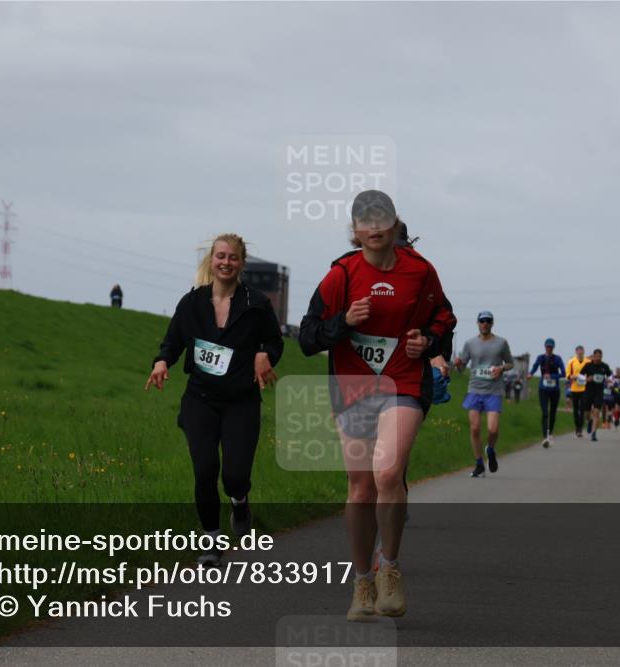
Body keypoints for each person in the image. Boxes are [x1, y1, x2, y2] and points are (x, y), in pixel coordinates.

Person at [299, 189, 456, 621]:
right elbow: (308, 338)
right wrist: (343, 323)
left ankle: (389, 567)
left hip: (404, 379)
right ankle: (362, 581)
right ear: (354, 230)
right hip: (353, 386)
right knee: (361, 487)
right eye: (363, 222)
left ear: (393, 224)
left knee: (388, 472)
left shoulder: (421, 272)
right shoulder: (340, 275)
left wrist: (430, 341)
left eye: (380, 220)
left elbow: (444, 319)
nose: (373, 228)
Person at [146, 234, 283, 567]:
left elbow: (274, 343)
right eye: (220, 256)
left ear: (241, 263)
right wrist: (162, 361)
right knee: (205, 469)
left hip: (241, 402)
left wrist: (265, 354)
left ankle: (239, 500)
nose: (225, 262)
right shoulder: (192, 303)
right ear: (211, 260)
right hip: (201, 400)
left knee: (234, 475)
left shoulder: (257, 304)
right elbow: (172, 342)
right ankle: (211, 539)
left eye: (232, 257)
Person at [453, 311, 514, 478]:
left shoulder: (501, 343)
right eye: (482, 321)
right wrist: (457, 364)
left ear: (492, 323)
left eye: (488, 321)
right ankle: (479, 463)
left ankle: (491, 449)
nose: (485, 324)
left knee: (493, 429)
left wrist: (501, 368)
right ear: (478, 323)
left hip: (494, 391)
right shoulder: (470, 344)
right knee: (475, 428)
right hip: (474, 389)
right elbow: (461, 367)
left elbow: (510, 363)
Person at [528, 338, 566, 448]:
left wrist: (552, 376)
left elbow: (563, 373)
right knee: (545, 413)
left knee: (553, 413)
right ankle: (545, 437)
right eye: (547, 346)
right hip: (543, 389)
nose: (549, 348)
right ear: (545, 347)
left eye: (551, 347)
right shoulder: (540, 358)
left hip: (555, 390)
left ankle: (550, 433)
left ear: (553, 348)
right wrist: (530, 374)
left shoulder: (557, 359)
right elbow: (535, 366)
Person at [579, 349, 612, 442]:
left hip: (599, 392)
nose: (598, 358)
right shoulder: (588, 365)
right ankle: (589, 421)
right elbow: (580, 377)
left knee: (597, 412)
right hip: (588, 392)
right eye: (596, 356)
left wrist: (608, 381)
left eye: (600, 356)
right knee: (587, 414)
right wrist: (586, 379)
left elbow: (610, 376)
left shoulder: (604, 366)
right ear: (593, 356)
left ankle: (594, 434)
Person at [564, 346, 590, 438]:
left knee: (582, 408)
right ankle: (577, 425)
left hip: (584, 388)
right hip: (574, 388)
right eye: (579, 352)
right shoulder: (571, 361)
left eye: (582, 352)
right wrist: (571, 377)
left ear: (584, 352)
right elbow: (567, 374)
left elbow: (591, 373)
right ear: (576, 352)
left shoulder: (588, 361)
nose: (580, 353)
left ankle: (580, 429)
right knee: (575, 409)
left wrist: (588, 378)